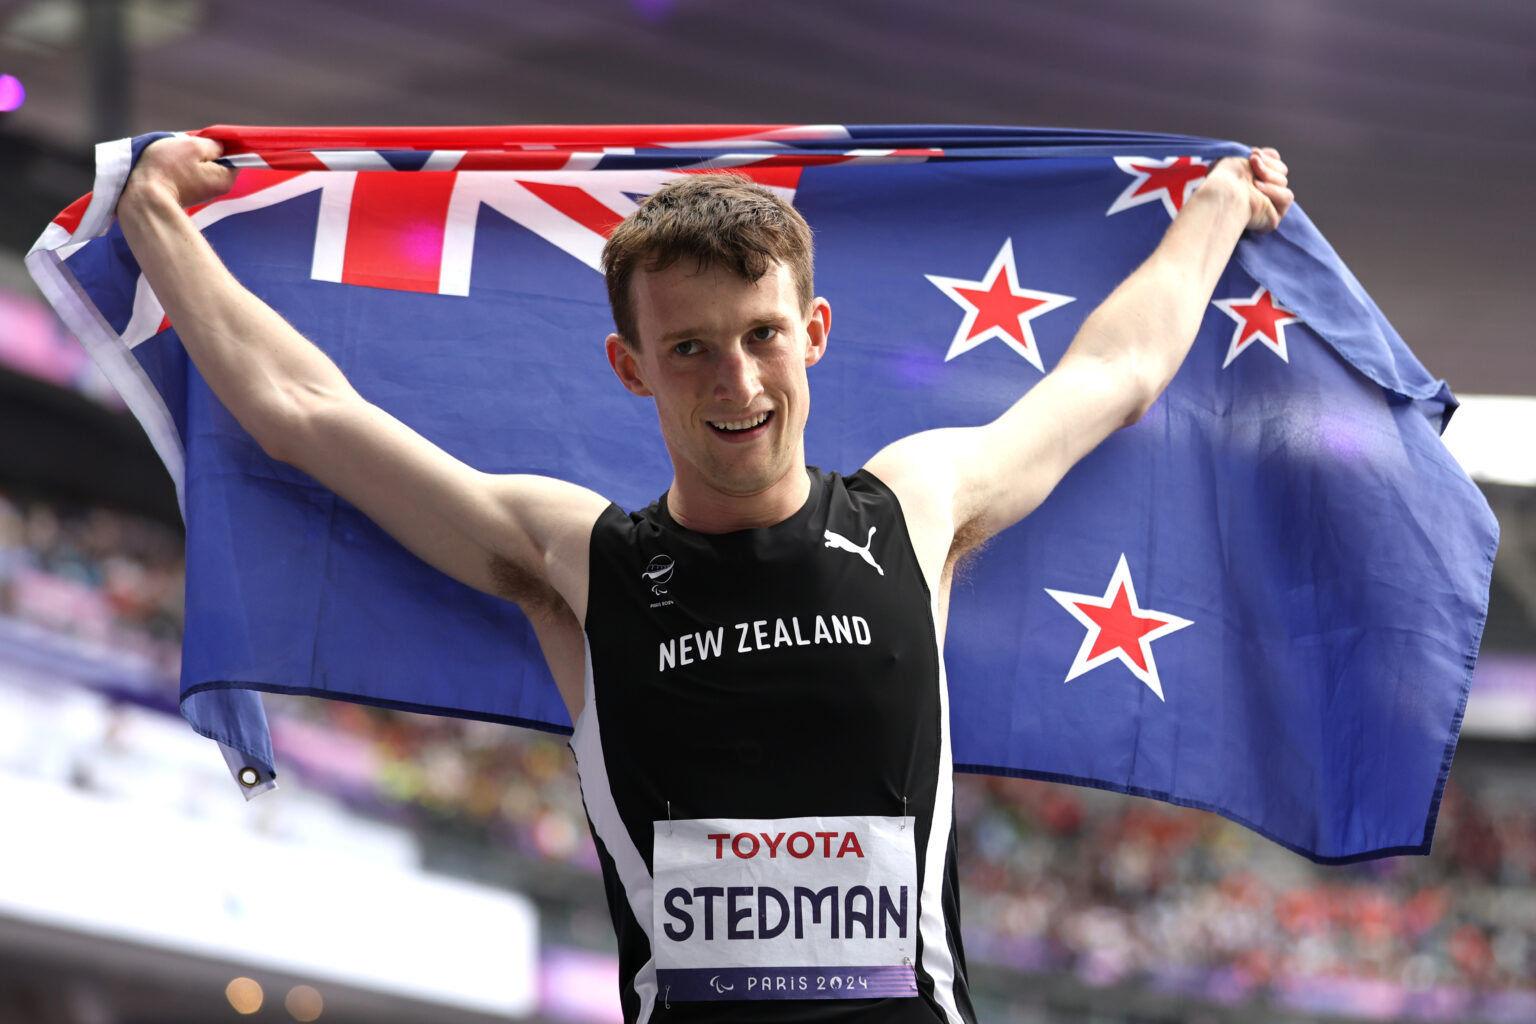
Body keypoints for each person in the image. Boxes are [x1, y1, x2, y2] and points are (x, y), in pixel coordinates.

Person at [116, 135, 1292, 1023]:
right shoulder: (581, 560)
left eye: (762, 335)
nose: (736, 381)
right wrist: (159, 220)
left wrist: (1214, 210)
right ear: (632, 366)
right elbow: (307, 414)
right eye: (690, 348)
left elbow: (1117, 370)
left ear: (814, 330)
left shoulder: (912, 512)